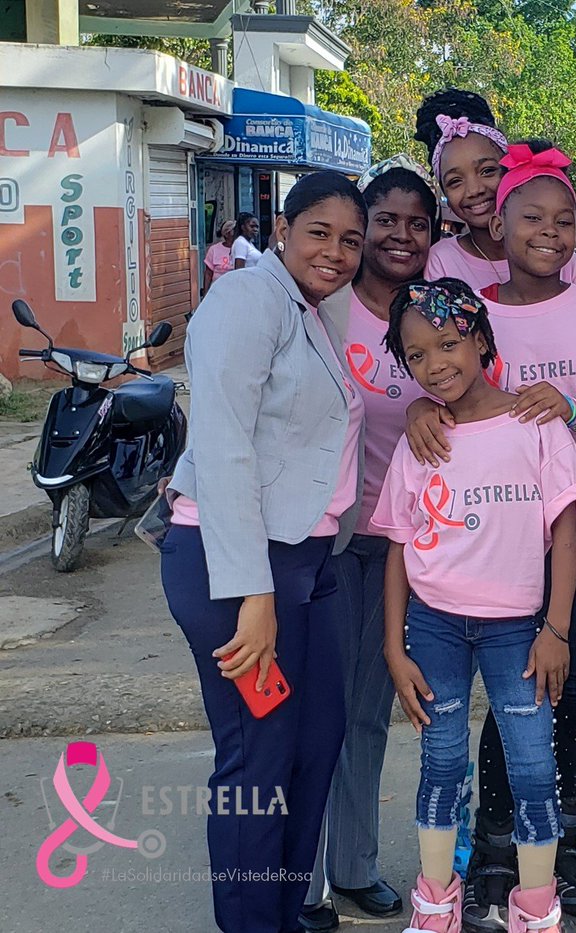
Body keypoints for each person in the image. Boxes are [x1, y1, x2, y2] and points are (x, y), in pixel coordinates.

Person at [405, 140, 576, 933]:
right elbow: (441, 376)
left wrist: (569, 407)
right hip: (487, 521)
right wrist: (421, 408)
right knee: (500, 684)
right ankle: (491, 848)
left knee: (563, 678)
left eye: (561, 219)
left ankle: (557, 841)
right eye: (530, 218)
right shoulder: (471, 310)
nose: (549, 232)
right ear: (497, 226)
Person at [161, 171, 368, 933]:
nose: (337, 252)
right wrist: (254, 593)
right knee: (259, 760)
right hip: (235, 566)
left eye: (351, 239)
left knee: (315, 746)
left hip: (304, 562)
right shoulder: (247, 300)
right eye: (320, 232)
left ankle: (283, 914)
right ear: (282, 229)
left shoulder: (310, 309)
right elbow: (223, 449)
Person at [372, 277, 576, 933]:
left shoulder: (535, 423)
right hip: (435, 626)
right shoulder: (424, 438)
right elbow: (397, 544)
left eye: (448, 343)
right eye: (416, 355)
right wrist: (393, 645)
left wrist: (556, 627)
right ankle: (436, 903)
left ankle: (536, 909)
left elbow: (567, 529)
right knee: (441, 760)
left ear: (482, 339)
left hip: (517, 631)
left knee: (532, 766)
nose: (436, 364)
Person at [300, 155, 442, 933]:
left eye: (416, 224)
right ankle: (301, 880)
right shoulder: (325, 310)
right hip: (321, 540)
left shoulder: (434, 321)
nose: (399, 235)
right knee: (312, 708)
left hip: (398, 545)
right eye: (384, 220)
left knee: (367, 709)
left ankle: (351, 866)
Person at [415, 88, 576, 291]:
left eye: (487, 171)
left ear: (508, 170)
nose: (474, 190)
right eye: (455, 182)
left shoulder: (558, 255)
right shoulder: (443, 261)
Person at [202, 220, 237, 296]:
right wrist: (205, 293)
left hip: (235, 291)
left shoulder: (240, 248)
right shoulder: (214, 249)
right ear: (227, 234)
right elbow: (208, 274)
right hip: (218, 292)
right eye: (235, 231)